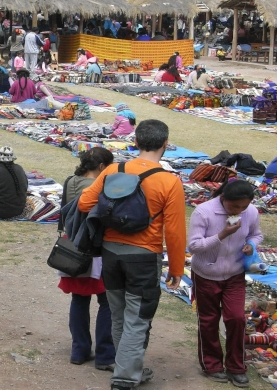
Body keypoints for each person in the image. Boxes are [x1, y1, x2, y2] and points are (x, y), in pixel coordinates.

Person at [78, 120, 186, 390]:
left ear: (135, 142)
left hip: (111, 254)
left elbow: (84, 203)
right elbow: (173, 232)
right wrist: (176, 269)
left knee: (118, 315)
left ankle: (129, 367)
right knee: (137, 319)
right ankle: (125, 378)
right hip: (143, 257)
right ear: (165, 144)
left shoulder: (115, 169)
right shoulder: (169, 181)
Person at [188, 180, 260, 388]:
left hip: (235, 274)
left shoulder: (252, 212)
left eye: (243, 207)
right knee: (209, 320)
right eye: (234, 206)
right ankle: (212, 364)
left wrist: (251, 244)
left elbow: (256, 234)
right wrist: (222, 235)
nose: (239, 210)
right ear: (223, 199)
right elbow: (194, 246)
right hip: (206, 273)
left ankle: (237, 367)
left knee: (237, 318)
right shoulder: (204, 212)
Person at [58, 148, 116, 369]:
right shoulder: (98, 188)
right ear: (102, 167)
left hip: (72, 247)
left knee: (79, 300)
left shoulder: (70, 181)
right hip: (95, 250)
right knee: (107, 302)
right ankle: (105, 355)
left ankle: (79, 350)